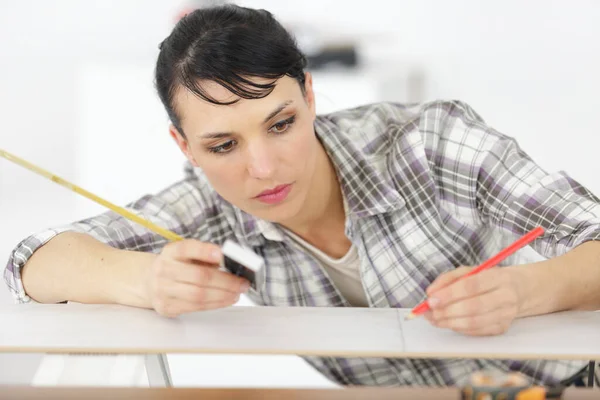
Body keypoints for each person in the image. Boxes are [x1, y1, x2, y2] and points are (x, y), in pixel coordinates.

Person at [4, 4, 600, 388]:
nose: (262, 169)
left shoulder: (429, 143)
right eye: (222, 146)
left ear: (310, 95)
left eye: (281, 123)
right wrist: (148, 280)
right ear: (183, 146)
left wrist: (523, 291)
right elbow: (31, 260)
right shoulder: (211, 209)